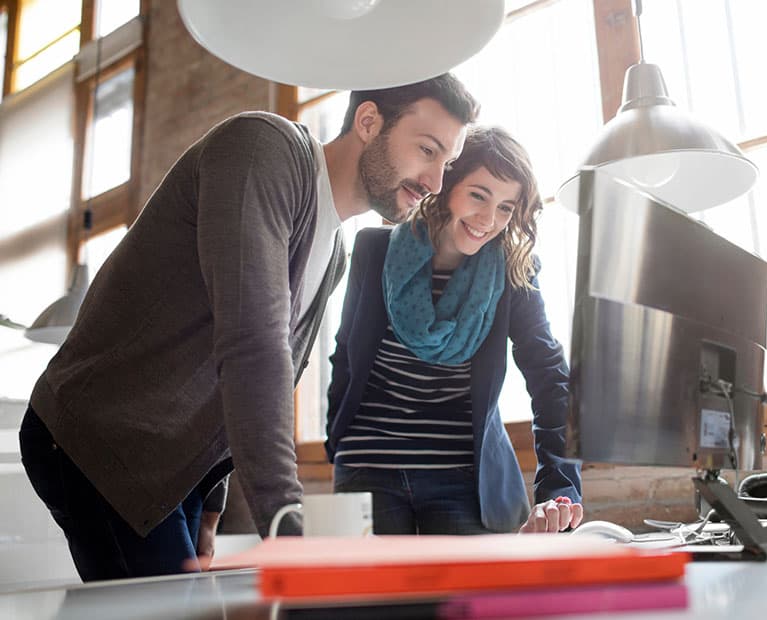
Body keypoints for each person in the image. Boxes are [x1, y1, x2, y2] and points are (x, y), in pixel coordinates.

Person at [18, 74, 479, 581]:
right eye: (428, 150)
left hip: (174, 470)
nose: (437, 182)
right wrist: (284, 520)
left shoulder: (334, 255)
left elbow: (230, 372)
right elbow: (252, 345)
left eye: (447, 163)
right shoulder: (262, 149)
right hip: (99, 438)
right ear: (368, 122)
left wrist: (210, 497)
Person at [326, 126, 583, 535]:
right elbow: (346, 355)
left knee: (466, 600)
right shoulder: (374, 252)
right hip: (368, 468)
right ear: (446, 183)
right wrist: (335, 441)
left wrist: (559, 488)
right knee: (372, 600)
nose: (488, 220)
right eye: (478, 195)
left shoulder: (514, 274)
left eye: (505, 207)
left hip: (465, 479)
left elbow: (551, 379)